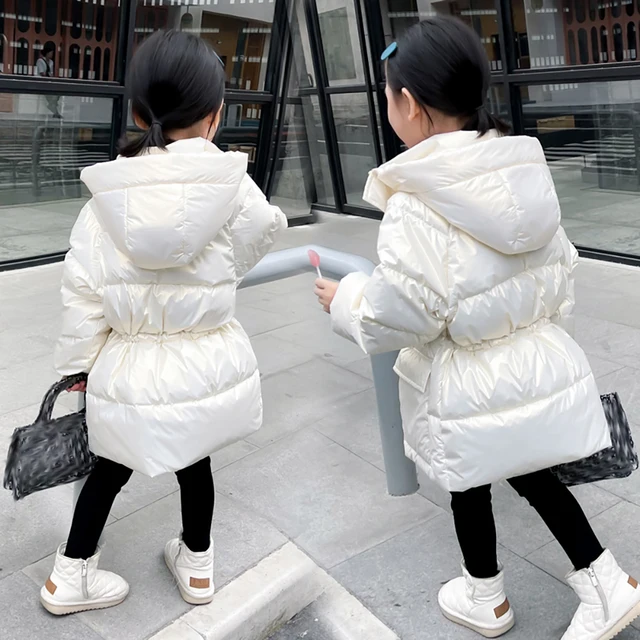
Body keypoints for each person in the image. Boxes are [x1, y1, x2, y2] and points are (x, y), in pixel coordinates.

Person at [314, 17, 640, 640]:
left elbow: (403, 312)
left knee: (470, 475)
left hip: (467, 371)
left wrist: (346, 298)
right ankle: (566, 582)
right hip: (531, 353)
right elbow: (561, 271)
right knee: (522, 472)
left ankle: (504, 593)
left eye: (387, 96)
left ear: (410, 103)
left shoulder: (417, 201)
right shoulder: (522, 173)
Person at [41, 30, 286, 615]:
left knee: (108, 466)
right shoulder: (232, 186)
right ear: (215, 115)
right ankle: (197, 569)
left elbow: (83, 291)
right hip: (200, 360)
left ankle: (69, 575)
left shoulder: (108, 193)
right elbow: (261, 231)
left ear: (136, 111)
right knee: (195, 460)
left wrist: (79, 367)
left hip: (128, 362)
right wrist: (215, 277)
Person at [36, 43, 61, 118]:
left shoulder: (51, 62)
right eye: (51, 53)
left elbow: (51, 73)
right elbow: (42, 73)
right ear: (47, 53)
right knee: (50, 96)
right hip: (42, 83)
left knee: (57, 93)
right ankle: (56, 113)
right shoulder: (40, 61)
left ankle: (55, 111)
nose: (52, 55)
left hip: (49, 82)